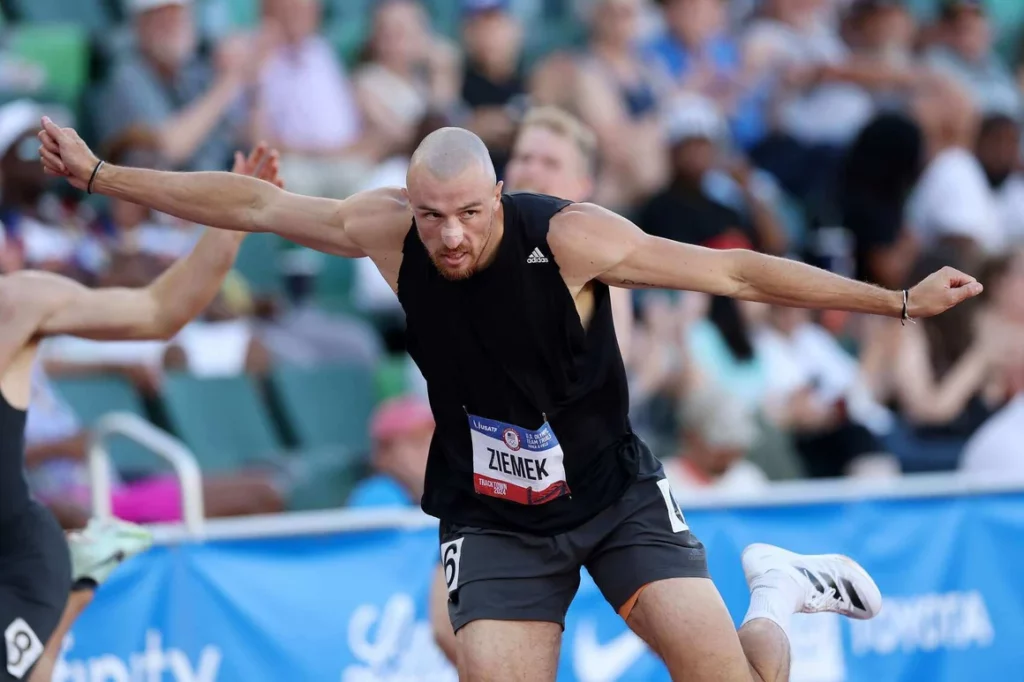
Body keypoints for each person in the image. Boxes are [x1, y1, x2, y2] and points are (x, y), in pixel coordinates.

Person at [40, 114, 981, 682]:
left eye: (469, 213)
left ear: (501, 193)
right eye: (430, 215)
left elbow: (734, 275)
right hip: (493, 518)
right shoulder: (384, 231)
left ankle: (772, 596)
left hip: (613, 498)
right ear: (407, 205)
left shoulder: (570, 237)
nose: (448, 237)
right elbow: (249, 206)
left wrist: (892, 302)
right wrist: (98, 176)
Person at [1, 145, 282, 682]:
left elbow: (158, 310)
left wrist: (228, 225)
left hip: (15, 561)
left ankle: (68, 596)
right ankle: (75, 594)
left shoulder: (15, 304)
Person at [426, 105, 634, 663]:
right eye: (522, 156)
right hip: (489, 481)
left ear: (581, 183)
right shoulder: (459, 244)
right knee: (447, 628)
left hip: (583, 476)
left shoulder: (592, 253)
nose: (531, 169)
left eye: (549, 160)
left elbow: (610, 371)